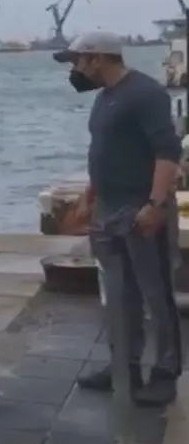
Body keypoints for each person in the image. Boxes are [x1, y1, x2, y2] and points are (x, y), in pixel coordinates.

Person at [57, 31, 183, 407]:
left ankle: (165, 373)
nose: (75, 70)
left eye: (77, 61)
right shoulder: (105, 99)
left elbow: (167, 152)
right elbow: (105, 150)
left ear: (98, 59)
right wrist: (89, 197)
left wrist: (156, 204)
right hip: (108, 210)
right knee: (119, 294)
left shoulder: (145, 94)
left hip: (140, 206)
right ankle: (122, 367)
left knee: (156, 293)